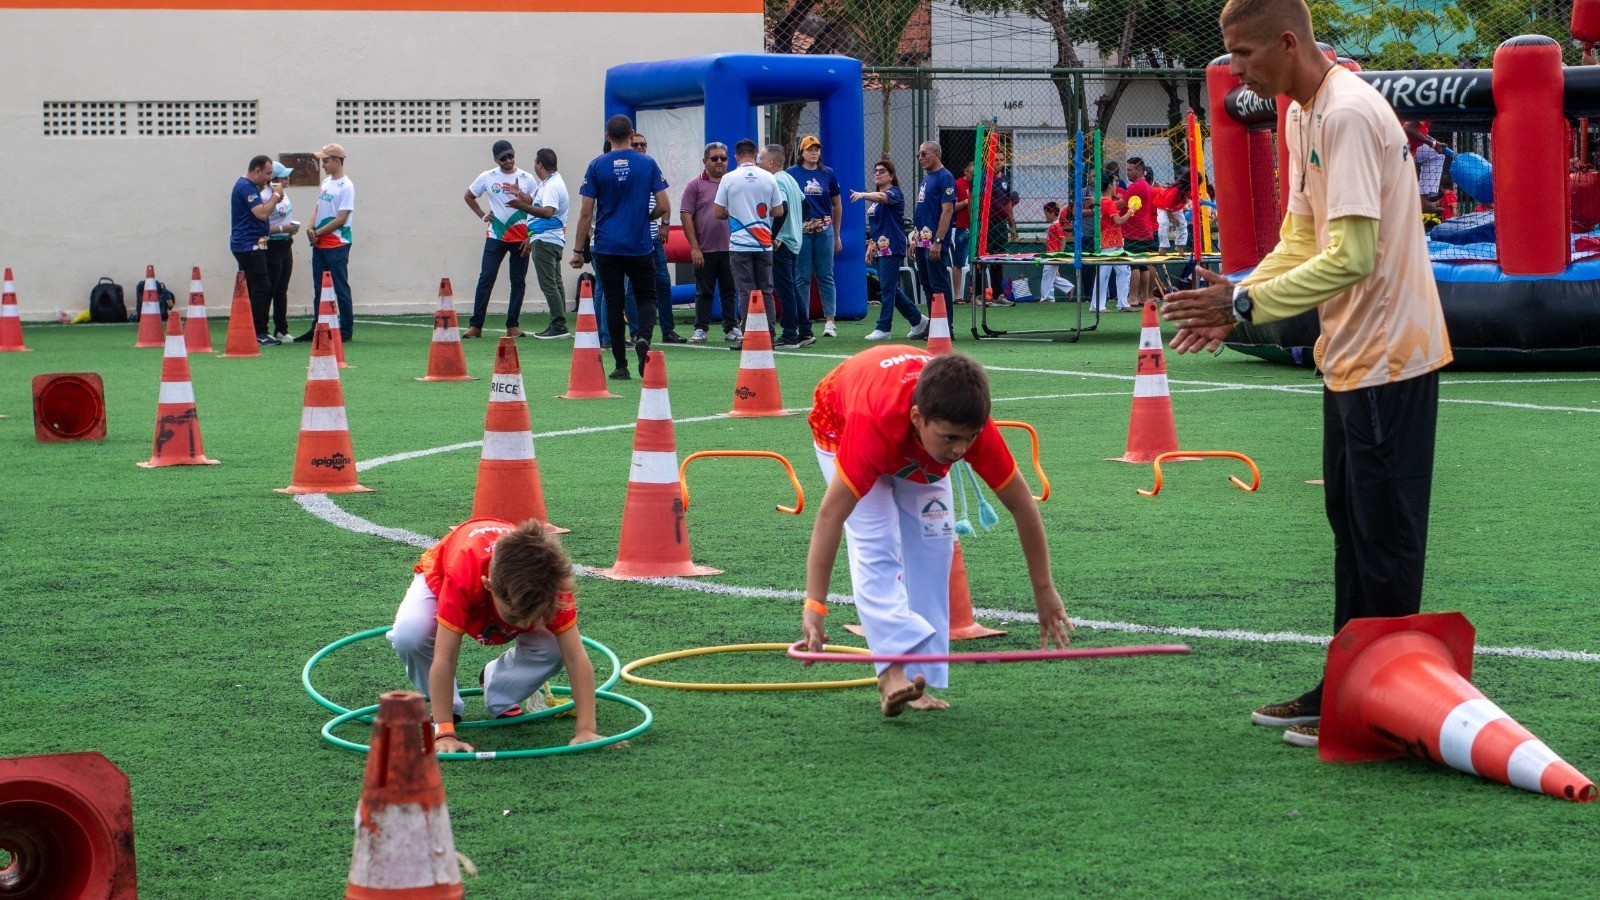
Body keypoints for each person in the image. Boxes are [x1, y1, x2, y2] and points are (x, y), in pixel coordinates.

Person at [1161, 0, 1452, 749]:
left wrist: (1245, 299)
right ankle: (1346, 687)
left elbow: (1353, 256)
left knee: (1384, 541)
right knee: (1351, 533)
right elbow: (1301, 238)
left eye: (1247, 54)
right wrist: (1236, 305)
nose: (1237, 71)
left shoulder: (1350, 113)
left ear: (1290, 43)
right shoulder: (1299, 114)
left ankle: (1386, 710)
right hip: (1348, 359)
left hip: (1392, 358)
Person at [799, 347, 1072, 716]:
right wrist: (815, 604)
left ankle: (919, 679)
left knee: (936, 546)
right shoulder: (873, 425)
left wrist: (1044, 589)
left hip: (914, 447)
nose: (961, 450)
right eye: (950, 439)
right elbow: (831, 515)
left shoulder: (969, 427)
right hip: (842, 423)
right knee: (876, 542)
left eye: (969, 439)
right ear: (917, 418)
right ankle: (891, 672)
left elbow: (1022, 505)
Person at [387, 518, 622, 754]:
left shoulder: (553, 584)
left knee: (556, 647)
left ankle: (498, 688)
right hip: (443, 572)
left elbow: (575, 657)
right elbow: (444, 659)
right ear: (488, 585)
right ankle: (447, 709)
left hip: (510, 580)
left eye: (532, 616)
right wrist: (444, 733)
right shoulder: (462, 577)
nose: (524, 624)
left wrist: (586, 729)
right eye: (514, 617)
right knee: (410, 634)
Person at [569, 114, 668, 380]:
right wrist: (645, 217)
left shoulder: (596, 165)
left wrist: (578, 251)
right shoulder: (647, 163)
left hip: (607, 245)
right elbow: (664, 206)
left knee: (613, 302)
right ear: (632, 134)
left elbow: (586, 213)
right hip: (639, 245)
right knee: (647, 297)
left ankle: (620, 365)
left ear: (607, 136)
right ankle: (643, 338)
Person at [464, 140, 539, 338]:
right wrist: (482, 215)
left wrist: (531, 236)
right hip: (496, 236)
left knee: (518, 281)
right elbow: (469, 196)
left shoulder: (526, 177)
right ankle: (476, 326)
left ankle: (512, 325)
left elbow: (535, 205)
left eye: (511, 156)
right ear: (495, 159)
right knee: (486, 278)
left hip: (521, 237)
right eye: (503, 157)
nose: (508, 160)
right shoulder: (487, 177)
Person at [715, 139, 783, 345]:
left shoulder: (728, 178)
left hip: (740, 244)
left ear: (736, 157)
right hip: (763, 243)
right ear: (756, 157)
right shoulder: (769, 178)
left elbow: (717, 212)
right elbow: (779, 210)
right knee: (766, 291)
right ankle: (769, 336)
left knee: (746, 291)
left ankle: (750, 337)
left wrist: (735, 211)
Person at [850, 159, 927, 341]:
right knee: (890, 288)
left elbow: (882, 198)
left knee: (887, 289)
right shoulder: (876, 197)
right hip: (880, 248)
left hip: (893, 247)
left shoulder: (894, 193)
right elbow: (877, 224)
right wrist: (871, 245)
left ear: (891, 175)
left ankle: (884, 328)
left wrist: (862, 195)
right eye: (876, 171)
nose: (877, 173)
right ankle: (918, 321)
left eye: (882, 171)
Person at [624, 132, 683, 345]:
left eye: (643, 144)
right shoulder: (626, 170)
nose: (640, 147)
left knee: (663, 282)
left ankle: (668, 330)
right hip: (633, 238)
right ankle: (636, 331)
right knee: (631, 287)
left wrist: (665, 225)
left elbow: (664, 200)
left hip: (652, 237)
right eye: (636, 144)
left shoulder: (651, 167)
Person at [680, 142, 739, 344]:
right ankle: (700, 328)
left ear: (728, 161)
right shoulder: (694, 185)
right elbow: (686, 215)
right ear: (705, 161)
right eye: (714, 158)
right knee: (704, 291)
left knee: (730, 291)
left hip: (732, 248)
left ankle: (731, 327)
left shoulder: (734, 183)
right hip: (705, 249)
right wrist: (695, 247)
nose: (719, 162)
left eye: (723, 158)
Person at [298, 143, 355, 343]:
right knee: (319, 288)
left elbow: (341, 218)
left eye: (326, 161)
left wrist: (317, 232)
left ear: (336, 161)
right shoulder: (326, 183)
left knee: (340, 286)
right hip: (321, 243)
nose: (322, 165)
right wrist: (310, 228)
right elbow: (318, 207)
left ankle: (346, 330)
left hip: (337, 243)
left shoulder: (346, 186)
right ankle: (318, 327)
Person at [787, 135, 842, 337]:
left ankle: (830, 321)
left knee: (825, 275)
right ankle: (804, 320)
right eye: (810, 149)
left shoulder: (828, 173)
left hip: (824, 229)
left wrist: (836, 235)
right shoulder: (792, 173)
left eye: (817, 149)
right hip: (801, 231)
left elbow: (837, 204)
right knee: (801, 277)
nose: (814, 152)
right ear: (801, 152)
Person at [762, 143, 814, 348]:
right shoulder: (790, 178)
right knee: (792, 287)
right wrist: (795, 223)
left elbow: (781, 207)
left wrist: (771, 236)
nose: (759, 162)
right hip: (794, 240)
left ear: (770, 162)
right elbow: (806, 204)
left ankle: (790, 334)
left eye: (762, 159)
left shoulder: (775, 180)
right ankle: (806, 331)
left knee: (785, 290)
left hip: (781, 242)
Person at [230, 154, 282, 346]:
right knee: (262, 287)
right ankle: (259, 331)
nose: (269, 179)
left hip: (253, 243)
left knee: (255, 287)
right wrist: (276, 196)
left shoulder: (250, 187)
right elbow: (261, 213)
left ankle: (250, 328)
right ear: (257, 170)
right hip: (248, 245)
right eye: (267, 174)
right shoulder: (245, 187)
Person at [523, 148, 571, 339]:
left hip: (545, 239)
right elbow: (535, 202)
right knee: (555, 282)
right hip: (550, 238)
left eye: (535, 162)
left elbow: (548, 211)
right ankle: (560, 322)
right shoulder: (549, 183)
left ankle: (558, 324)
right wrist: (520, 195)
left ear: (539, 164)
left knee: (548, 283)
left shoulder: (551, 186)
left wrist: (521, 206)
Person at [913, 141, 957, 330]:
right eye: (919, 155)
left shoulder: (945, 177)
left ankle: (945, 327)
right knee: (927, 284)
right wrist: (915, 239)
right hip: (922, 241)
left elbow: (947, 211)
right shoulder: (927, 179)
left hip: (934, 243)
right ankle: (934, 325)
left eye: (924, 154)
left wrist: (938, 241)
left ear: (936, 153)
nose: (920, 158)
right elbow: (922, 212)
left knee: (939, 284)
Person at [264, 161, 300, 343]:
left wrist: (289, 229)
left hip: (286, 244)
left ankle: (281, 329)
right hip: (273, 246)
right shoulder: (266, 197)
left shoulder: (284, 195)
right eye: (283, 177)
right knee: (269, 289)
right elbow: (262, 226)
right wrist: (283, 228)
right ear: (272, 180)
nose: (287, 180)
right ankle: (262, 329)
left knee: (281, 290)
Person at [1121, 157, 1158, 308]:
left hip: (1135, 232)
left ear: (1139, 170)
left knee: (1134, 265)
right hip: (1147, 230)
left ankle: (1133, 297)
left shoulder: (1136, 186)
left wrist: (1102, 202)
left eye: (1130, 170)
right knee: (1144, 264)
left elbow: (1121, 203)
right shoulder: (1147, 187)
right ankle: (1145, 296)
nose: (1127, 173)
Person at [1096, 173, 1133, 313]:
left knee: (1124, 270)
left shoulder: (1102, 201)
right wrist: (1130, 211)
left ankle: (1123, 303)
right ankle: (1098, 305)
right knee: (1104, 273)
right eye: (1115, 183)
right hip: (1110, 242)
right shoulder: (1108, 202)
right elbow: (1118, 221)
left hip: (1115, 241)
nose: (1116, 186)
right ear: (1110, 185)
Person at [1039, 203, 1075, 303]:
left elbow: (1063, 239)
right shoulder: (1054, 225)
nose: (1045, 216)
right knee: (1052, 277)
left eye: (1046, 213)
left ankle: (1047, 298)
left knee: (1047, 276)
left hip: (1053, 255)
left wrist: (1060, 255)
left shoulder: (1056, 225)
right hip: (1051, 254)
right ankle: (1068, 287)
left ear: (1051, 213)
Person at [951, 161, 974, 302]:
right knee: (958, 261)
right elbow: (951, 207)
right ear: (965, 171)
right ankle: (957, 295)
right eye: (971, 174)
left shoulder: (980, 184)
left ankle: (978, 293)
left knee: (978, 261)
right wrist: (967, 201)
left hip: (977, 228)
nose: (973, 177)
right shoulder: (957, 184)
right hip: (962, 226)